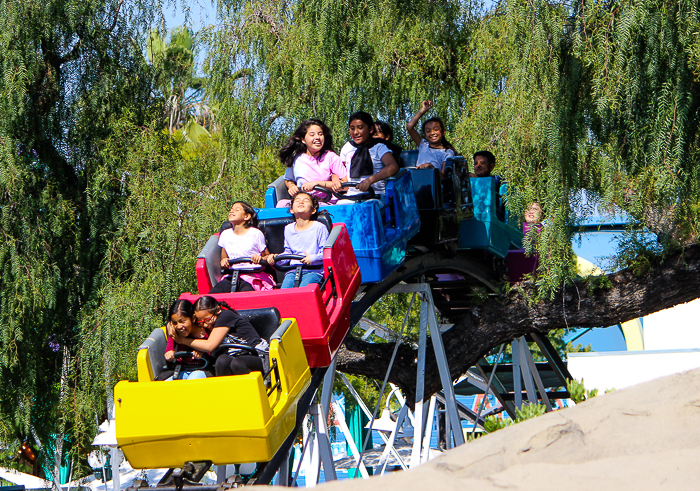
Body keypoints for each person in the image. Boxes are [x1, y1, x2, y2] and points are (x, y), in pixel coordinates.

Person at [170, 296, 268, 377]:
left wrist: (182, 340)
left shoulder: (225, 316)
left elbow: (210, 346)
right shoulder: (210, 323)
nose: (205, 325)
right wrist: (170, 325)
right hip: (235, 356)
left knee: (237, 363)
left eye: (207, 319)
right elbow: (180, 319)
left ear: (217, 310)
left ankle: (252, 392)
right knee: (222, 360)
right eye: (201, 322)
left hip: (255, 355)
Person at [277, 119, 346, 207]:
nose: (317, 137)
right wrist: (291, 187)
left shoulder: (331, 157)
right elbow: (288, 179)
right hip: (303, 201)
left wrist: (317, 184)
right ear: (303, 139)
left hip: (326, 203)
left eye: (320, 134)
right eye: (312, 135)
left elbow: (345, 184)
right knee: (281, 204)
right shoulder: (296, 158)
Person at [267, 192, 329, 289]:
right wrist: (276, 259)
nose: (301, 202)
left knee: (303, 291)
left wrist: (312, 258)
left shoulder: (319, 227)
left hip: (313, 270)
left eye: (306, 200)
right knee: (284, 293)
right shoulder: (288, 229)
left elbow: (326, 253)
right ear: (291, 210)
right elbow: (288, 252)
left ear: (313, 210)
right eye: (297, 200)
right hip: (293, 271)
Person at [210, 201, 274, 294]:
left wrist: (259, 258)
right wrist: (224, 261)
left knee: (245, 295)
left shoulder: (255, 233)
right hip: (233, 275)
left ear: (246, 216)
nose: (232, 211)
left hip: (251, 275)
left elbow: (266, 256)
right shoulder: (225, 234)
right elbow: (224, 257)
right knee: (213, 295)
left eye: (237, 210)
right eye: (231, 209)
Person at [339, 111, 399, 196]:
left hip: (376, 196)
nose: (355, 132)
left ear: (370, 129)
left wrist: (369, 181)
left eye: (360, 128)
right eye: (352, 128)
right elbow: (344, 172)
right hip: (351, 196)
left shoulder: (379, 147)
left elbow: (393, 166)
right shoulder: (347, 147)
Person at [159, 299, 211, 381]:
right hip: (181, 369)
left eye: (182, 321)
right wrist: (169, 354)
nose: (179, 326)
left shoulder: (205, 331)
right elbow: (169, 348)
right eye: (175, 323)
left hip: (201, 369)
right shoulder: (174, 332)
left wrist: (203, 352)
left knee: (192, 381)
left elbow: (213, 350)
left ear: (193, 318)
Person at [407, 100, 458, 174]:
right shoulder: (423, 145)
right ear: (425, 135)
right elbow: (410, 127)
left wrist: (432, 169)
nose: (432, 133)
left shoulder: (447, 153)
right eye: (428, 131)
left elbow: (444, 178)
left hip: (434, 184)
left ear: (443, 132)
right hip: (418, 182)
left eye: (436, 130)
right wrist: (423, 110)